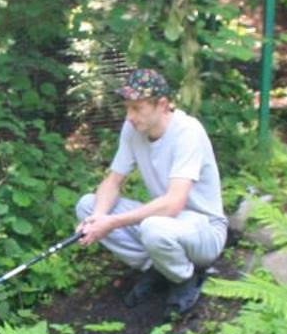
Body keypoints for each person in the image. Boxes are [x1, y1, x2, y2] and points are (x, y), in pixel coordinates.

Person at [75, 67, 227, 318]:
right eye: (127, 107)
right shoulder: (132, 130)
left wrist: (111, 222)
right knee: (87, 206)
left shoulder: (188, 132)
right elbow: (112, 182)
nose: (129, 116)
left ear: (162, 105)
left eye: (137, 108)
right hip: (167, 224)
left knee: (154, 228)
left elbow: (174, 203)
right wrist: (98, 218)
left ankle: (185, 278)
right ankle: (159, 268)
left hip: (206, 231)